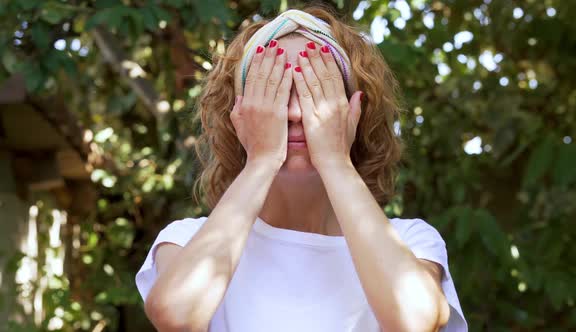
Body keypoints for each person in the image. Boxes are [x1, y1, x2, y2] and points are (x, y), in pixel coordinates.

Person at [135, 5, 468, 332]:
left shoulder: (410, 242)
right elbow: (176, 315)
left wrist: (335, 159)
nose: (294, 112)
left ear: (355, 112)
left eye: (315, 91)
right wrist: (262, 159)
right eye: (273, 92)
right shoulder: (186, 241)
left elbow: (414, 322)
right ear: (238, 117)